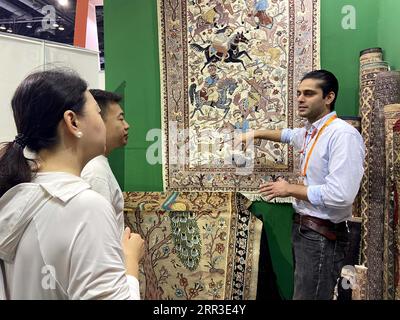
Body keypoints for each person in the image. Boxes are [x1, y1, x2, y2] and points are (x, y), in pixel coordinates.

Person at [0, 69, 144, 300]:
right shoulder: (85, 208)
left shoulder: (16, 194)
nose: (103, 122)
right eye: (97, 112)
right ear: (73, 121)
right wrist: (130, 263)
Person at [238, 70, 365, 299]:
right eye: (298, 93)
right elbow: (287, 134)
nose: (300, 99)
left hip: (323, 236)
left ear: (329, 97)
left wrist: (288, 189)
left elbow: (341, 195)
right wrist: (254, 133)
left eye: (308, 93)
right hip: (306, 231)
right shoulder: (311, 132)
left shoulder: (342, 136)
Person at [81, 89, 129, 238]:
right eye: (120, 119)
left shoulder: (98, 165)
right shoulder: (95, 171)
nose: (127, 125)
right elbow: (99, 237)